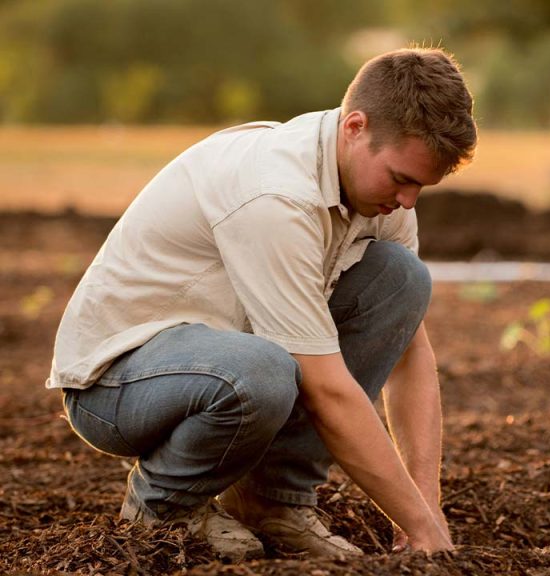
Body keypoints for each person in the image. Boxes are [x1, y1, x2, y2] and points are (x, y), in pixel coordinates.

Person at [47, 47, 476, 562]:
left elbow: (408, 352)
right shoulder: (276, 195)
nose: (408, 201)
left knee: (401, 279)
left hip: (224, 358)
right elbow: (326, 390)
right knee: (264, 370)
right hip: (116, 383)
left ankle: (273, 501)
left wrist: (426, 510)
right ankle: (164, 506)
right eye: (401, 178)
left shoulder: (380, 196)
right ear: (355, 127)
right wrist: (417, 524)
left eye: (420, 186)